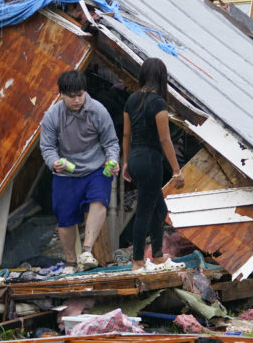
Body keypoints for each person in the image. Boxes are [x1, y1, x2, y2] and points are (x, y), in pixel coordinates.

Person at [40, 70, 120, 274]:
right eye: (71, 96)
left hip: (96, 168)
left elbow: (111, 142)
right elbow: (47, 147)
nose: (77, 100)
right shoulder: (52, 115)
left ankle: (86, 251)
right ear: (62, 95)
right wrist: (53, 162)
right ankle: (70, 262)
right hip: (66, 171)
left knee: (99, 200)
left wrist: (112, 160)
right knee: (64, 217)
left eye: (80, 94)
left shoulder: (98, 111)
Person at [121, 58, 185, 273]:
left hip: (136, 158)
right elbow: (165, 140)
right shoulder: (158, 103)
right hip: (151, 160)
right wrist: (176, 170)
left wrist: (126, 163)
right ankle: (138, 261)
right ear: (161, 78)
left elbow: (127, 134)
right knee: (145, 211)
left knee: (159, 209)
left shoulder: (131, 100)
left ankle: (157, 256)